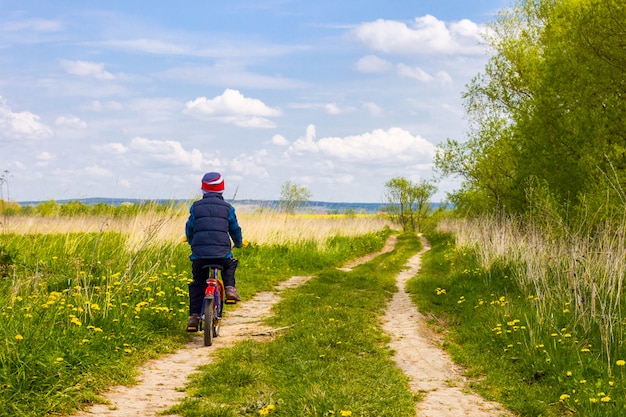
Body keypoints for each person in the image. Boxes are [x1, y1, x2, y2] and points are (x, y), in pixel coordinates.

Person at [185, 171, 243, 332]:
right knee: (230, 265)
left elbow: (190, 228)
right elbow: (235, 229)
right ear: (222, 189)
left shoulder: (196, 207)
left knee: (198, 283)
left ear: (203, 189)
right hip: (222, 253)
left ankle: (194, 316)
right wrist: (238, 243)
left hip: (199, 255)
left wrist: (192, 242)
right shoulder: (228, 208)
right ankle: (230, 288)